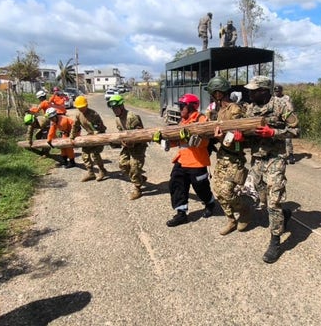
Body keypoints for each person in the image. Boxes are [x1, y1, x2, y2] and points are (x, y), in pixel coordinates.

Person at [244, 76, 299, 263]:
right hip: (257, 158)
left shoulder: (281, 106)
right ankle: (283, 216)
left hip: (276, 158)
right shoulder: (250, 108)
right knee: (261, 198)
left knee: (273, 201)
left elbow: (296, 130)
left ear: (265, 90)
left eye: (254, 90)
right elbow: (245, 132)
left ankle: (275, 240)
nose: (250, 93)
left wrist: (274, 133)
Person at [153, 93, 217, 227]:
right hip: (182, 160)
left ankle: (210, 203)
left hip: (197, 161)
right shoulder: (182, 122)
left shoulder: (202, 120)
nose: (180, 108)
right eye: (180, 106)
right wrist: (163, 141)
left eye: (182, 106)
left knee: (201, 187)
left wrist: (190, 138)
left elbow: (205, 143)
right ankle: (181, 213)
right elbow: (177, 142)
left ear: (192, 107)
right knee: (176, 184)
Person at [206, 76, 252, 235]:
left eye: (213, 92)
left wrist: (222, 138)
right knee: (217, 191)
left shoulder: (235, 110)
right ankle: (231, 219)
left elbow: (240, 139)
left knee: (227, 191)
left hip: (234, 156)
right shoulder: (217, 110)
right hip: (222, 155)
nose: (212, 95)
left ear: (219, 93)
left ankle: (244, 210)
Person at [107, 95, 148, 200]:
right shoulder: (118, 119)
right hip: (127, 145)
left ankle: (137, 188)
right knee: (123, 165)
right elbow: (121, 133)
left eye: (116, 108)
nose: (115, 110)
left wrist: (132, 142)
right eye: (113, 109)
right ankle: (140, 178)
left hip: (138, 145)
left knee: (134, 167)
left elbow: (140, 134)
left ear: (121, 106)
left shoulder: (131, 117)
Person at [69, 95, 107, 182]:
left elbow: (100, 128)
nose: (81, 109)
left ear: (86, 105)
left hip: (100, 135)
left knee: (95, 153)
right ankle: (90, 173)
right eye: (79, 108)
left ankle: (102, 170)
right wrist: (71, 136)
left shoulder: (94, 114)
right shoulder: (78, 115)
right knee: (85, 153)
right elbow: (75, 126)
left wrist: (95, 136)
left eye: (82, 107)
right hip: (90, 136)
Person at [274, 85, 296, 164]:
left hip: (287, 118)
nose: (277, 93)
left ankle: (290, 155)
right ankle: (281, 156)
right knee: (278, 138)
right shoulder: (273, 99)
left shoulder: (287, 98)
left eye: (278, 91)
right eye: (276, 91)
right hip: (277, 120)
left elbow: (291, 108)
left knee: (288, 138)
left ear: (281, 91)